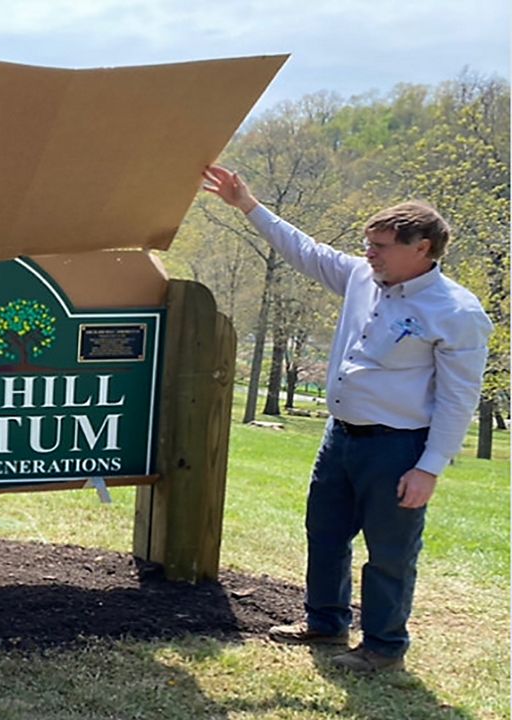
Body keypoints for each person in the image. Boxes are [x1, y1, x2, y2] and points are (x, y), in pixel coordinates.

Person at [202, 165, 492, 673]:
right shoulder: (364, 276)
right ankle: (326, 622)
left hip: (399, 448)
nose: (369, 253)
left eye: (380, 245)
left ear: (422, 248)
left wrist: (430, 467)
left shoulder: (456, 312)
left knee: (390, 551)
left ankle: (383, 646)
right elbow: (306, 251)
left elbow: (458, 397)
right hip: (340, 439)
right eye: (367, 243)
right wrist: (247, 204)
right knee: (326, 531)